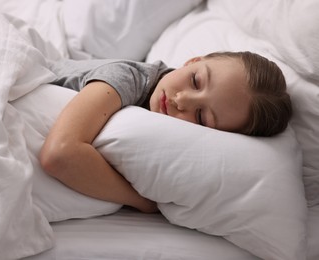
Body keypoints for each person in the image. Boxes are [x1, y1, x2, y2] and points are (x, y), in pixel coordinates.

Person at [39, 51, 292, 213]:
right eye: (195, 80)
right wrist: (142, 202)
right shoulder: (127, 78)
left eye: (202, 116)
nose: (182, 101)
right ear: (194, 60)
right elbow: (59, 154)